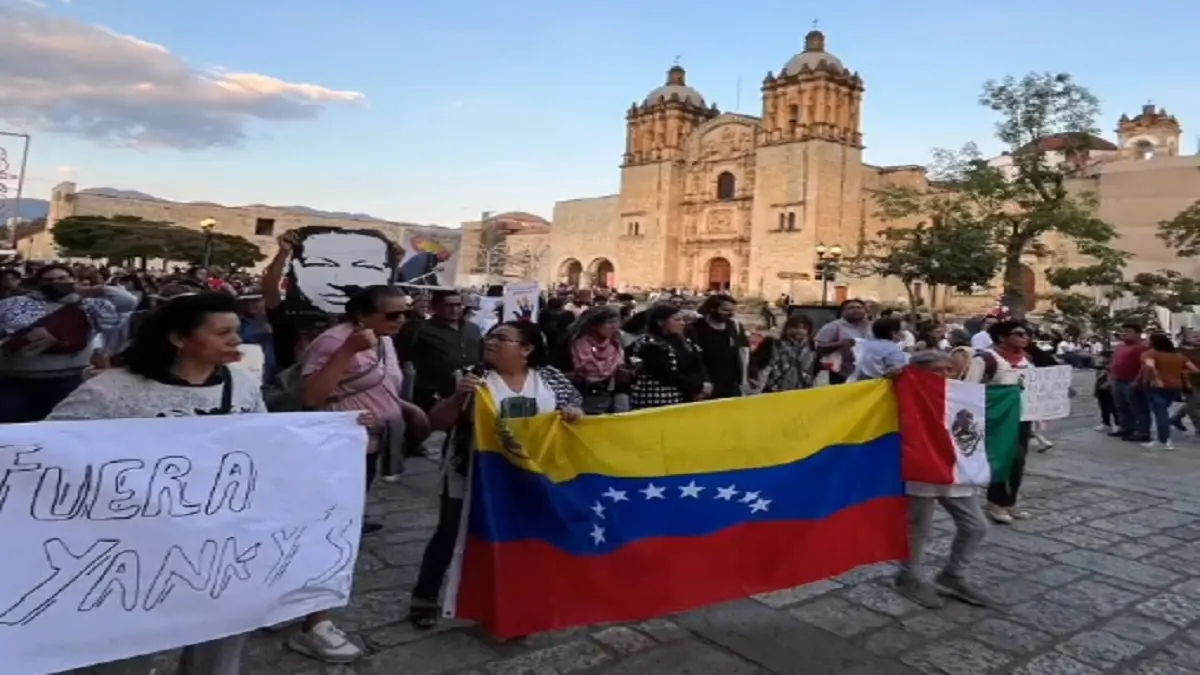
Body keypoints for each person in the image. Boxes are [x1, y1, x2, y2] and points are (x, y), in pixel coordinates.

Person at [49, 293, 267, 675]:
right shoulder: (113, 391)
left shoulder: (242, 382)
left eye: (237, 330)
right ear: (179, 339)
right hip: (135, 547)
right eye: (223, 332)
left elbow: (265, 439)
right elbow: (49, 450)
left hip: (219, 542)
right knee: (123, 647)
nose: (236, 340)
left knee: (219, 641)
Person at [408, 321, 583, 628]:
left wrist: (573, 414)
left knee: (517, 537)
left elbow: (574, 408)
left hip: (529, 473)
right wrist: (455, 399)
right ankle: (425, 598)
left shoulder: (550, 378)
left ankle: (510, 601)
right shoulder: (470, 378)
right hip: (473, 470)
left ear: (526, 350)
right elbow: (438, 422)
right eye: (491, 336)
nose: (491, 342)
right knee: (450, 532)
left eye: (502, 338)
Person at [295, 285, 430, 663]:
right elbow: (312, 395)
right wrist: (348, 350)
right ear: (362, 317)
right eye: (393, 315)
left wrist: (403, 406)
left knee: (343, 529)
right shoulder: (335, 341)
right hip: (336, 452)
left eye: (404, 313)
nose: (401, 320)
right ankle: (313, 623)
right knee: (328, 532)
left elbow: (374, 383)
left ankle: (305, 606)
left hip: (368, 449)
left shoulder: (385, 340)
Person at [894, 351, 990, 608]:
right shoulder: (902, 389)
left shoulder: (958, 395)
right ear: (918, 373)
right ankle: (909, 576)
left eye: (949, 370)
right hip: (920, 467)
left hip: (954, 468)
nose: (946, 375)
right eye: (938, 370)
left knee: (976, 525)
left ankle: (953, 575)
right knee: (918, 527)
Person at [964, 320, 1032, 525]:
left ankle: (1009, 501)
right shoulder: (986, 359)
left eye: (1027, 334)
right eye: (1018, 333)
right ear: (1002, 337)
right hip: (997, 418)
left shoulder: (1027, 359)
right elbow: (970, 388)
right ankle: (996, 502)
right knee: (1001, 458)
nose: (1025, 337)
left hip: (1021, 416)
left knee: (1018, 459)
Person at [628, 303, 711, 409]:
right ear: (660, 322)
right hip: (654, 401)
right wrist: (698, 387)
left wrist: (704, 384)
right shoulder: (649, 343)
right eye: (676, 320)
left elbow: (697, 363)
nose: (682, 323)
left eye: (683, 320)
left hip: (680, 399)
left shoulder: (684, 342)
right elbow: (666, 375)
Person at [566, 306, 631, 414]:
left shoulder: (616, 342)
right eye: (609, 322)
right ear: (594, 326)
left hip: (614, 396)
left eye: (616, 322)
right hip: (586, 399)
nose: (614, 327)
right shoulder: (578, 345)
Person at [1140, 332, 1197, 450]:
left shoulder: (1150, 354)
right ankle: (1164, 439)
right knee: (1164, 411)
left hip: (1157, 387)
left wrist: (1157, 379)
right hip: (1176, 387)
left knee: (1160, 414)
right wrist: (1182, 374)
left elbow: (1150, 366)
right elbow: (1195, 369)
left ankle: (1163, 440)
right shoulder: (1179, 356)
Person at [688, 294, 749, 399]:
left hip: (731, 387)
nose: (730, 314)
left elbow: (742, 354)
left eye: (732, 310)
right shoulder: (695, 328)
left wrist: (743, 382)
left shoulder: (735, 327)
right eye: (725, 310)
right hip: (706, 388)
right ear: (712, 309)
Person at [748, 313, 815, 393]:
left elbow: (816, 368)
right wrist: (755, 381)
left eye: (804, 328)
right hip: (774, 389)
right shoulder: (772, 343)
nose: (799, 331)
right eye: (795, 327)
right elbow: (757, 363)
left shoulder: (812, 346)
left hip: (802, 390)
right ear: (787, 328)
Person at [1110, 322, 1150, 443]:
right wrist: (1111, 377)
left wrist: (1138, 381)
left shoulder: (1142, 348)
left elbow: (1145, 366)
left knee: (1138, 407)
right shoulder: (1119, 347)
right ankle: (1126, 428)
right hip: (1118, 381)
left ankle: (1143, 432)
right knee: (1121, 406)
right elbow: (1113, 363)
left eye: (1128, 331)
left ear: (1138, 334)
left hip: (1133, 381)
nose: (1124, 334)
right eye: (1123, 331)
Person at [814, 299, 870, 385]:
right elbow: (818, 347)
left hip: (868, 373)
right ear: (843, 312)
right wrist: (841, 344)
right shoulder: (833, 326)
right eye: (851, 308)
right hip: (842, 374)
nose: (856, 310)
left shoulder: (871, 326)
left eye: (859, 307)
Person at [848, 316, 910, 382]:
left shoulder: (868, 345)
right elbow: (898, 369)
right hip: (882, 384)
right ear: (893, 333)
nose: (905, 333)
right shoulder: (891, 348)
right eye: (902, 330)